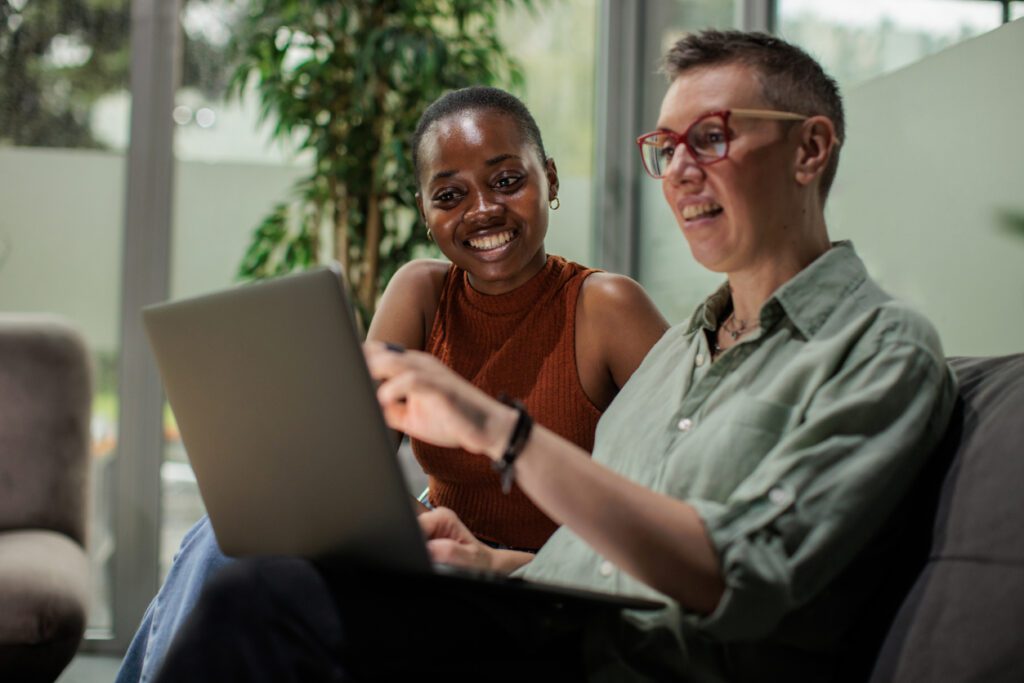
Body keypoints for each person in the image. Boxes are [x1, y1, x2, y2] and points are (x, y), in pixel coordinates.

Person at [153, 30, 958, 682]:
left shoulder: (880, 349)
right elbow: (597, 566)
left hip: (615, 659)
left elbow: (738, 579)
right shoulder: (684, 352)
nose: (679, 170)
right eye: (666, 146)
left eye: (709, 138)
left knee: (263, 600)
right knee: (247, 564)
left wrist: (498, 429)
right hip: (547, 624)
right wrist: (485, 561)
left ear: (811, 150)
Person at [114, 86, 668, 682]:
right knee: (225, 540)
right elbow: (356, 474)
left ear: (550, 180)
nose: (481, 210)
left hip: (546, 590)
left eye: (507, 181)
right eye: (450, 195)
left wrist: (493, 561)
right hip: (438, 570)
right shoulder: (421, 293)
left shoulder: (606, 307)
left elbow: (671, 513)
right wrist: (411, 530)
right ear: (426, 211)